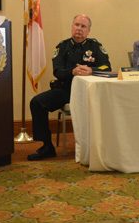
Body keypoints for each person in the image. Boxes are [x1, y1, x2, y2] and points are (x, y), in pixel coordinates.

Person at [28, 14, 111, 161]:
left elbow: (107, 67)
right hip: (66, 90)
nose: (79, 29)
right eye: (76, 25)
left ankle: (101, 145)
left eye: (83, 26)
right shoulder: (62, 46)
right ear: (72, 27)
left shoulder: (95, 47)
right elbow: (57, 71)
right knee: (37, 102)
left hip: (89, 91)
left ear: (88, 31)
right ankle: (46, 146)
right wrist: (72, 71)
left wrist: (92, 70)